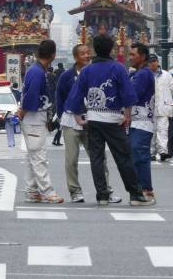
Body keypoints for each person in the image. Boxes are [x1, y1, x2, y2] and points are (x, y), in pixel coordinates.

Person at [65, 35, 153, 206]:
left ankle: (102, 194)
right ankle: (135, 194)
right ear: (111, 49)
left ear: (95, 50)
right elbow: (128, 95)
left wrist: (77, 116)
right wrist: (127, 114)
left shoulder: (87, 70)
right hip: (113, 119)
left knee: (97, 158)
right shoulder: (118, 68)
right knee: (123, 157)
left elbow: (76, 95)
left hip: (93, 119)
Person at [55, 43, 116, 203]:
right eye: (83, 53)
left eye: (89, 53)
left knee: (99, 157)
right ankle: (75, 191)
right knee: (71, 159)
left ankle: (105, 190)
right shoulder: (66, 76)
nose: (87, 56)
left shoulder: (95, 74)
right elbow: (59, 97)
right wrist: (61, 117)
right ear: (75, 57)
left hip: (92, 120)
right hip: (71, 121)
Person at [19, 40, 65, 203]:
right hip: (33, 116)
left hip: (34, 116)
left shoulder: (36, 70)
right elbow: (31, 97)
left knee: (33, 155)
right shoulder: (38, 72)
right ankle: (47, 190)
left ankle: (32, 190)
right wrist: (22, 112)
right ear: (53, 55)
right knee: (38, 155)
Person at [128, 43, 156, 199]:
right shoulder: (136, 74)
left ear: (143, 56)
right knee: (135, 154)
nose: (130, 57)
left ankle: (146, 189)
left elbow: (132, 94)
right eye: (130, 54)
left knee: (140, 153)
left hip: (143, 120)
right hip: (135, 120)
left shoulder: (143, 74)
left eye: (133, 55)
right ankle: (140, 188)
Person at [149, 54, 173, 162]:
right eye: (151, 61)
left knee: (163, 130)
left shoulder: (167, 75)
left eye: (154, 61)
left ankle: (163, 151)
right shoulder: (146, 75)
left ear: (157, 62)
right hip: (150, 107)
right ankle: (151, 152)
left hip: (164, 106)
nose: (153, 63)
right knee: (152, 131)